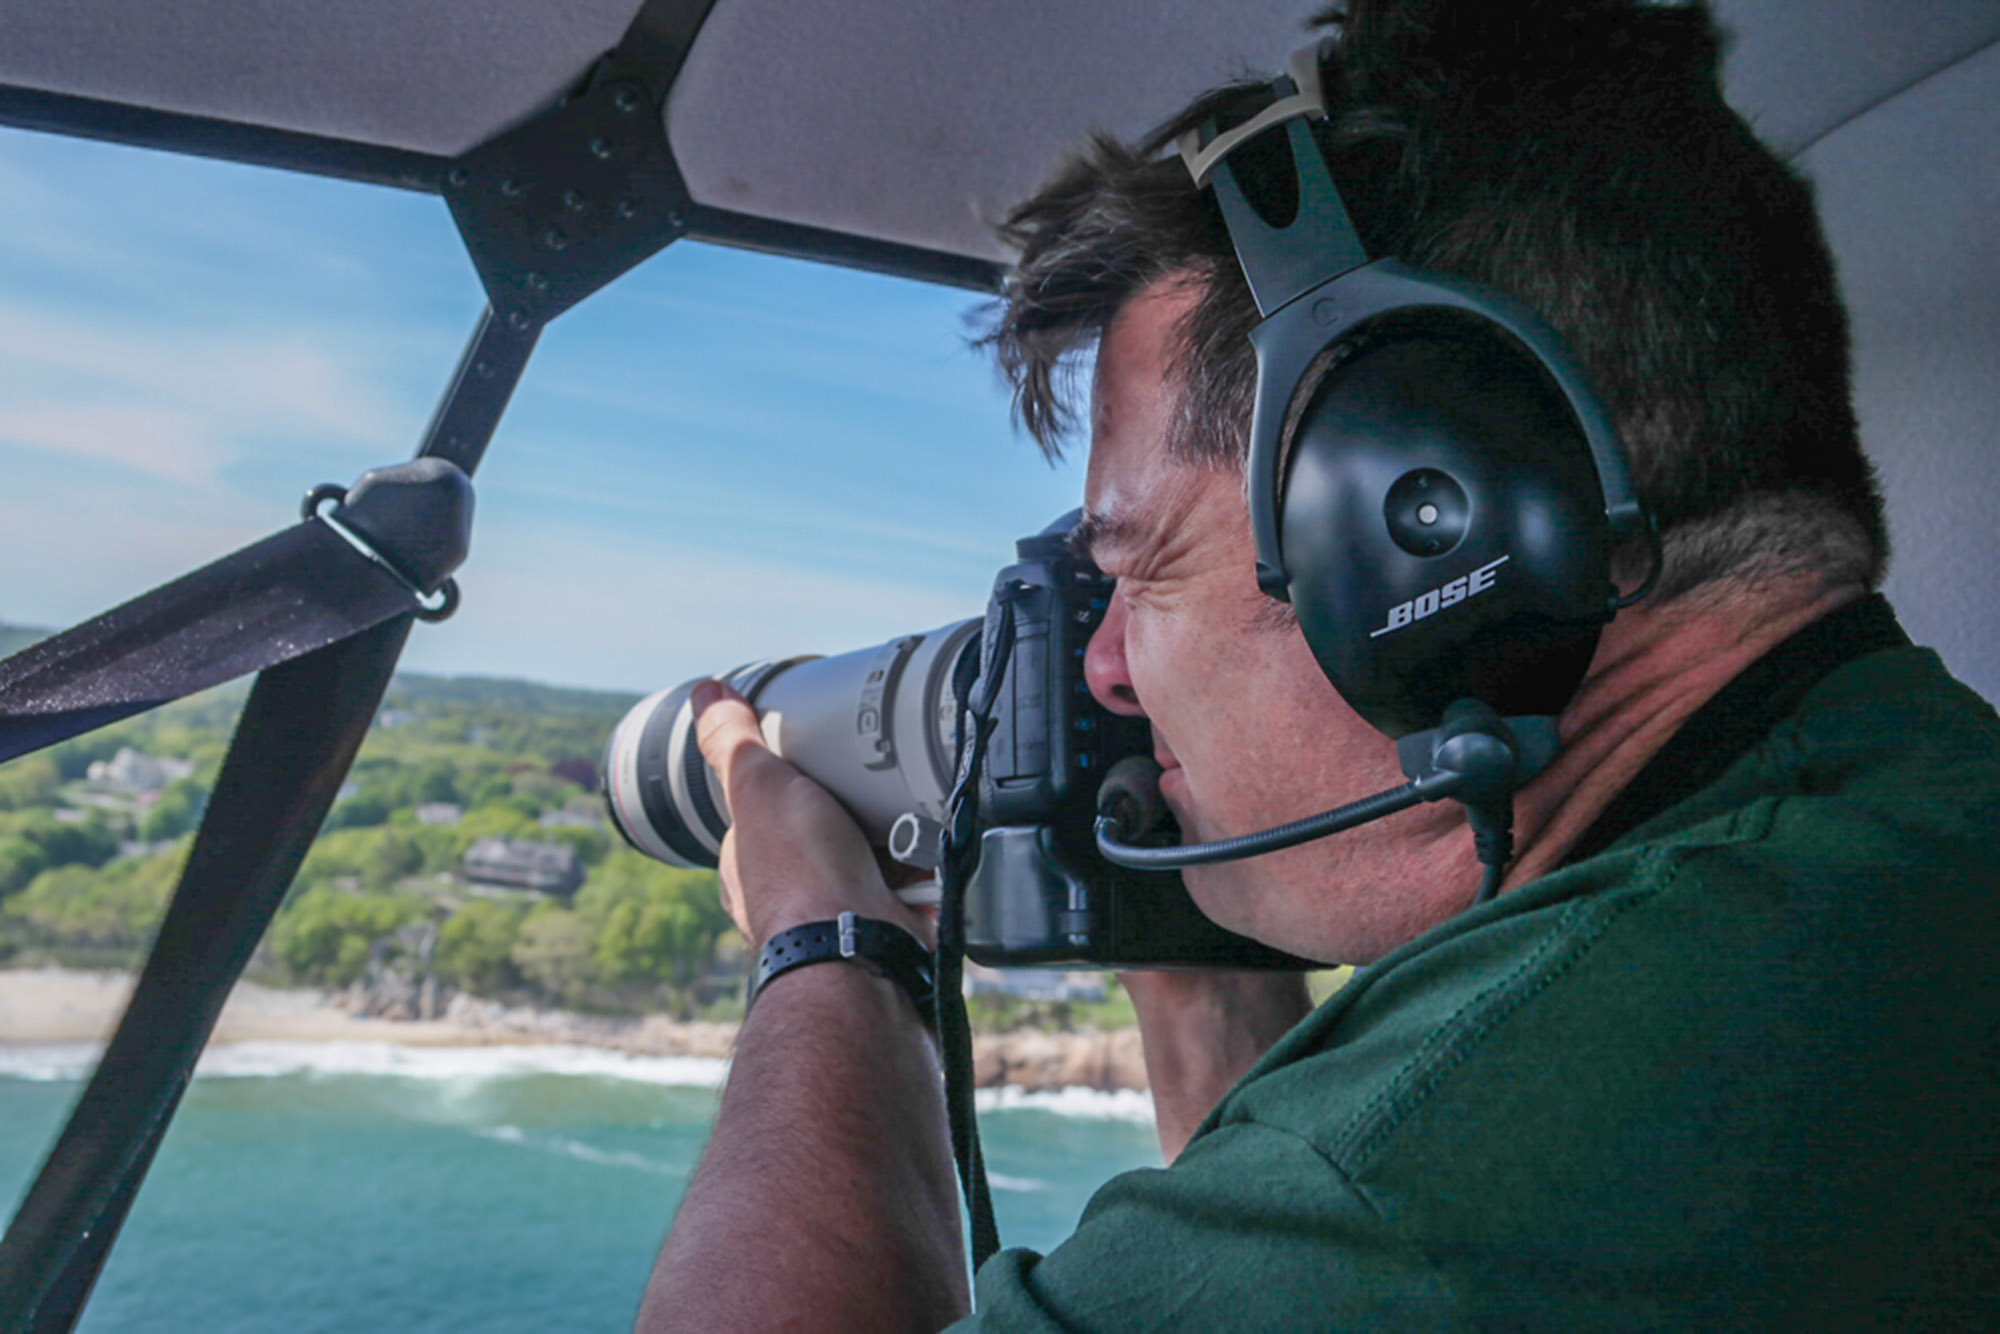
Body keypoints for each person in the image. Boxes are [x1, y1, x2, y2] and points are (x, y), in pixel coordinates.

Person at [637, 1, 2000, 1327]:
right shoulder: (1906, 817)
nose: (1106, 668)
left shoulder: (1456, 1182)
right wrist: (1194, 948)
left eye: (1137, 568)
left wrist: (829, 947)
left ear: (1424, 524)